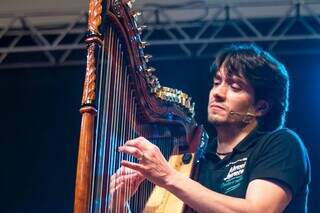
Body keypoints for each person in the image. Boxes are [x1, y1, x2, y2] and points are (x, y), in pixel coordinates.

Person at [112, 44, 311, 212]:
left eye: (235, 86)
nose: (217, 93)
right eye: (216, 82)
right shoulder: (196, 160)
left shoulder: (281, 144)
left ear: (261, 107)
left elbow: (259, 210)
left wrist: (167, 176)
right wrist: (120, 204)